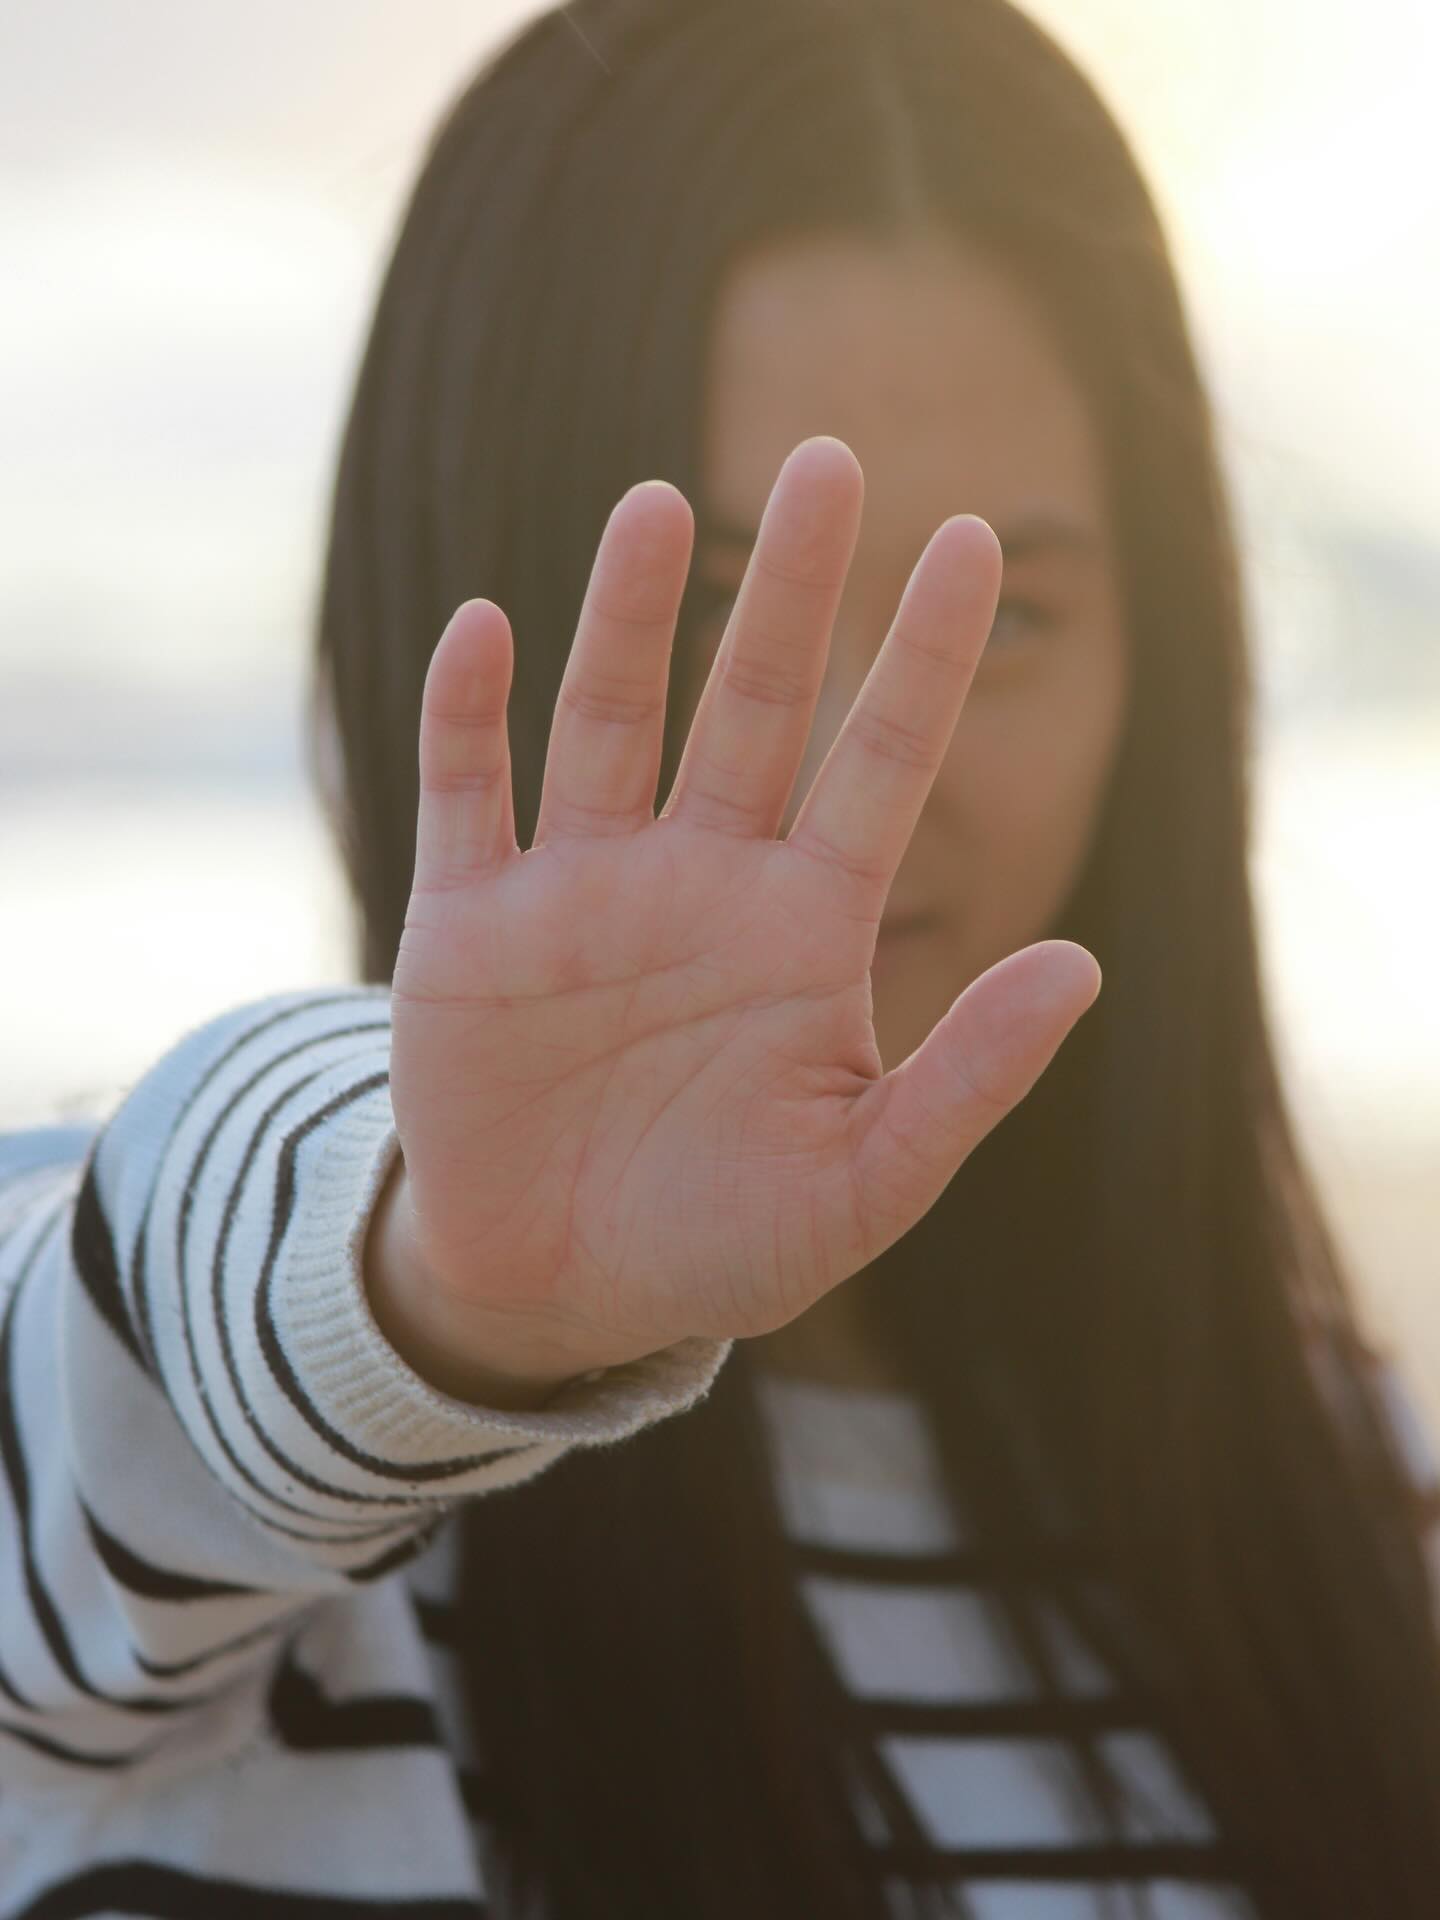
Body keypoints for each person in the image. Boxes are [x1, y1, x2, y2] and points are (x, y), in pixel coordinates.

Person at [3, 0, 1440, 1914]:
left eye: (1000, 620)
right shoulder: (213, 1566)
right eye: (715, 611)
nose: (878, 767)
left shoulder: (1354, 1514)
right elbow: (112, 1317)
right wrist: (443, 1297)